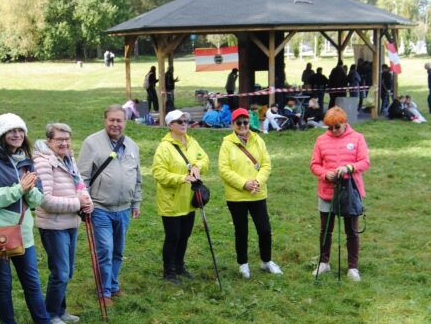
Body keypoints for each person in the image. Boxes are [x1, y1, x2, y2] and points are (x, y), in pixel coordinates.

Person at [0, 114, 68, 324]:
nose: (17, 135)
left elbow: (36, 200)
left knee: (32, 282)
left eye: (20, 130)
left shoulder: (26, 160)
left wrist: (29, 189)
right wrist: (18, 189)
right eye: (11, 131)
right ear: (1, 135)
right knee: (3, 283)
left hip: (22, 234)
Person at [77, 106, 143, 304]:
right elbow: (82, 177)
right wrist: (85, 202)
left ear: (125, 122)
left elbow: (137, 177)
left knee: (118, 251)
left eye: (119, 120)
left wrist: (136, 202)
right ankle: (103, 292)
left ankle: (113, 285)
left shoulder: (132, 145)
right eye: (111, 120)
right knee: (105, 250)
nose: (115, 124)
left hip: (123, 208)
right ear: (105, 120)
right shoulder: (92, 143)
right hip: (100, 208)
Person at [33, 123, 93, 324]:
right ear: (49, 141)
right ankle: (50, 314)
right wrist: (78, 204)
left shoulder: (68, 158)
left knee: (68, 271)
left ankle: (60, 310)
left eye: (67, 139)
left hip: (70, 222)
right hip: (53, 225)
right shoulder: (43, 162)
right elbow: (45, 200)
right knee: (60, 272)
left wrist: (87, 200)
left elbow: (79, 185)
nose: (65, 143)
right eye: (59, 140)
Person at [219, 107, 281, 279]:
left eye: (245, 122)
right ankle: (243, 263)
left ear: (249, 122)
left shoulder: (258, 140)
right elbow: (224, 170)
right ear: (233, 124)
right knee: (241, 230)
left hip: (257, 193)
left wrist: (257, 181)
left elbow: (266, 164)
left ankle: (266, 261)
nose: (243, 125)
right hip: (236, 196)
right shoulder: (227, 143)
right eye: (238, 122)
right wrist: (244, 183)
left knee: (265, 230)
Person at [310, 106, 370, 281]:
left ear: (345, 123)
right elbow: (314, 164)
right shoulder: (321, 140)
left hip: (350, 192)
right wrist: (324, 173)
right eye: (330, 127)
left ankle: (353, 267)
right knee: (325, 230)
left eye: (337, 126)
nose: (333, 130)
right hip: (327, 190)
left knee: (351, 231)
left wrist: (349, 167)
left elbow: (365, 161)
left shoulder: (358, 138)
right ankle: (324, 263)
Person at [153, 109, 210, 282]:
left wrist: (198, 166)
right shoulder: (164, 147)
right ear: (170, 126)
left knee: (185, 235)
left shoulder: (192, 142)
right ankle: (168, 271)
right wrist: (181, 178)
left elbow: (205, 158)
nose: (184, 124)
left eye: (185, 121)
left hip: (190, 200)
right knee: (173, 236)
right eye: (179, 121)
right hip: (171, 201)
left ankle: (179, 266)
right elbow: (158, 173)